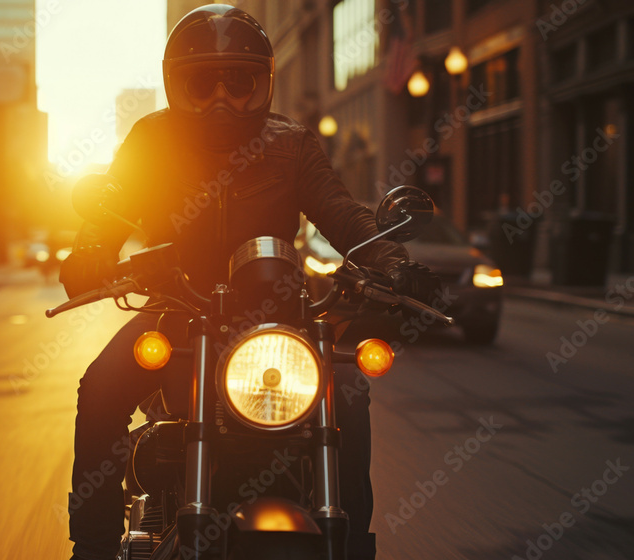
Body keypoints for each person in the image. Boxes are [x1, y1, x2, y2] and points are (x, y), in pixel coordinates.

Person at [60, 5, 435, 560]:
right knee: (100, 389)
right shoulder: (152, 141)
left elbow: (342, 213)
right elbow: (112, 207)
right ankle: (91, 549)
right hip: (179, 309)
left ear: (261, 82)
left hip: (281, 318)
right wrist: (91, 251)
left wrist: (393, 262)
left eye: (237, 81)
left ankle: (351, 547)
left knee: (350, 394)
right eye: (202, 81)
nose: (221, 98)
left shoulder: (291, 144)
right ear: (175, 84)